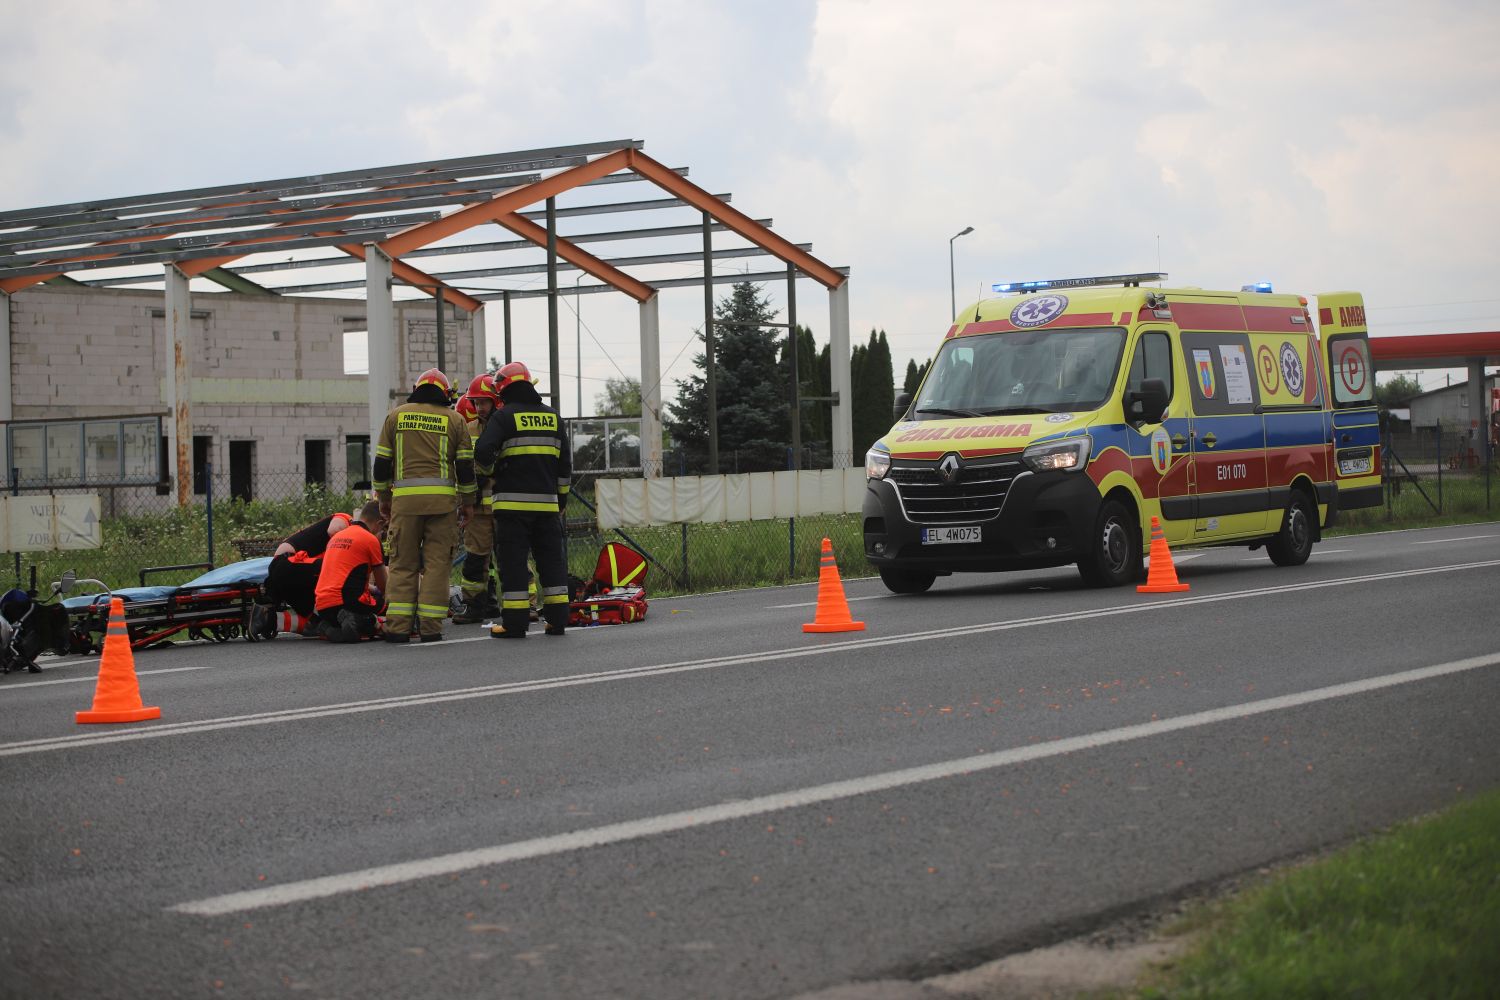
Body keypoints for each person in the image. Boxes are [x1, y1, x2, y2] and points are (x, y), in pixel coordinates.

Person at [372, 368, 476, 644]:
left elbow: (382, 463)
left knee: (402, 564)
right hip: (442, 505)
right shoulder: (455, 420)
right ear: (444, 393)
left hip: (404, 505)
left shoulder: (396, 416)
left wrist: (383, 498)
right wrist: (468, 504)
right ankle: (430, 628)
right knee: (437, 566)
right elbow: (465, 468)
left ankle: (397, 628)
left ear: (417, 388)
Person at [474, 360, 572, 639]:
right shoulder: (554, 417)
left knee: (514, 565)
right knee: (552, 563)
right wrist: (561, 501)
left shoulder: (503, 418)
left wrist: (493, 470)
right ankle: (557, 621)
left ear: (502, 388)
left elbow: (482, 453)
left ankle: (515, 624)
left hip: (511, 509)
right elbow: (564, 467)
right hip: (547, 507)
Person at [255, 510, 352, 638]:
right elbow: (332, 530)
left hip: (289, 574)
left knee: (316, 623)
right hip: (286, 564)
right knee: (337, 571)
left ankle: (265, 618)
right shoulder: (345, 519)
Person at [453, 372, 502, 624]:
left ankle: (527, 605)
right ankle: (474, 606)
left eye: (483, 402)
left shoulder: (507, 426)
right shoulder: (468, 429)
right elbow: (463, 464)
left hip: (504, 505)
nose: (478, 407)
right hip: (478, 506)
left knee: (511, 557)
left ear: (496, 401)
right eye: (476, 402)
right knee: (475, 559)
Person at [313, 501, 389, 643]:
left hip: (322, 605)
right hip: (348, 601)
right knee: (387, 608)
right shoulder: (370, 539)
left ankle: (332, 627)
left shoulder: (337, 537)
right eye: (383, 530)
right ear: (379, 523)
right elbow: (384, 585)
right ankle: (364, 622)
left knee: (354, 607)